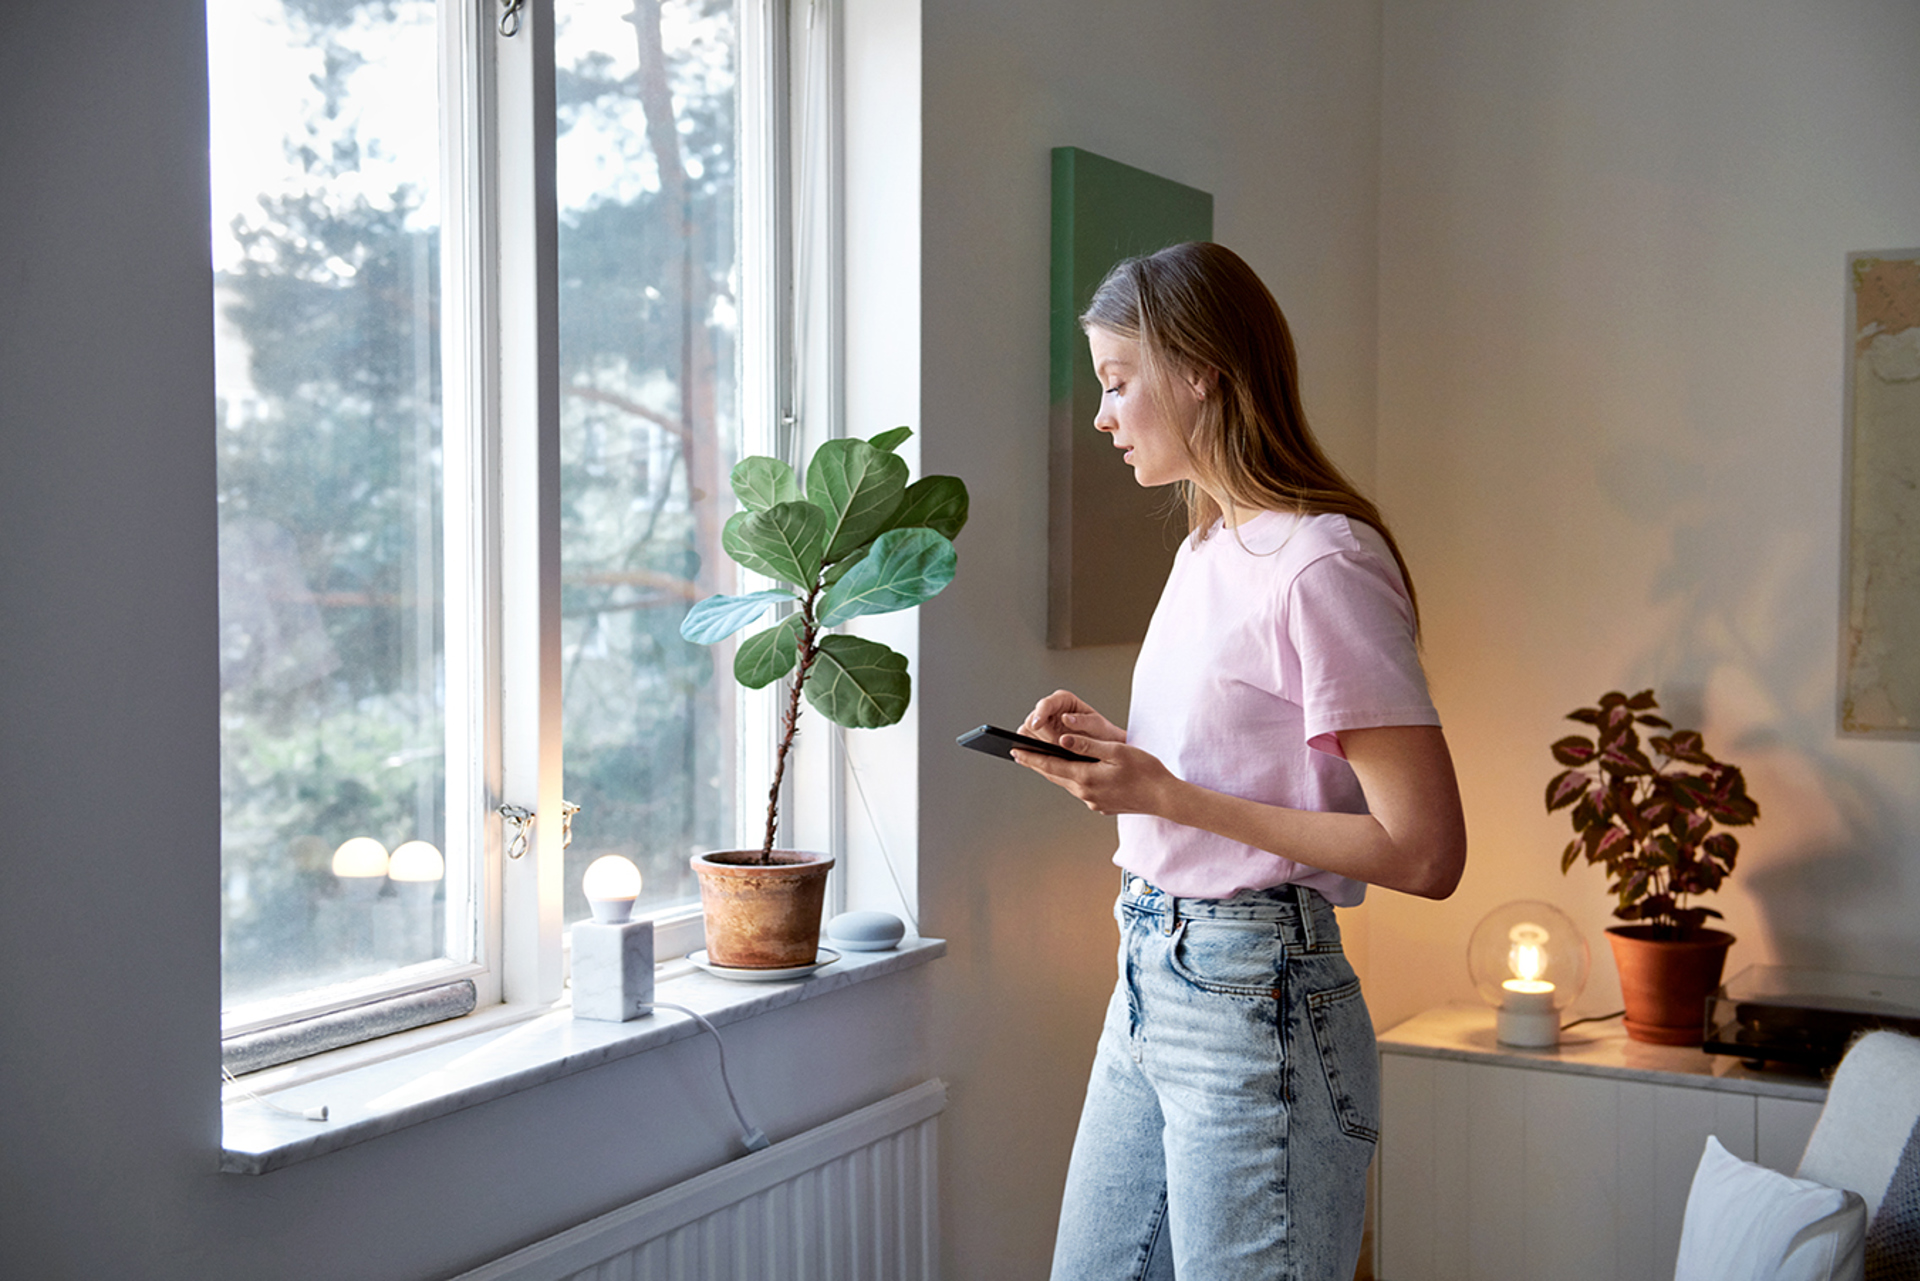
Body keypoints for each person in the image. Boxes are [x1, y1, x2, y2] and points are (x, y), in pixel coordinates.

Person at [1015, 241, 1467, 1281]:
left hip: (1255, 994)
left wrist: (1169, 793)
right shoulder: (1208, 549)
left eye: (1119, 383)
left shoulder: (1325, 561)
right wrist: (1129, 763)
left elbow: (1427, 851)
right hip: (1148, 971)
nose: (1102, 415)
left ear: (1200, 370)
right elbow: (1238, 777)